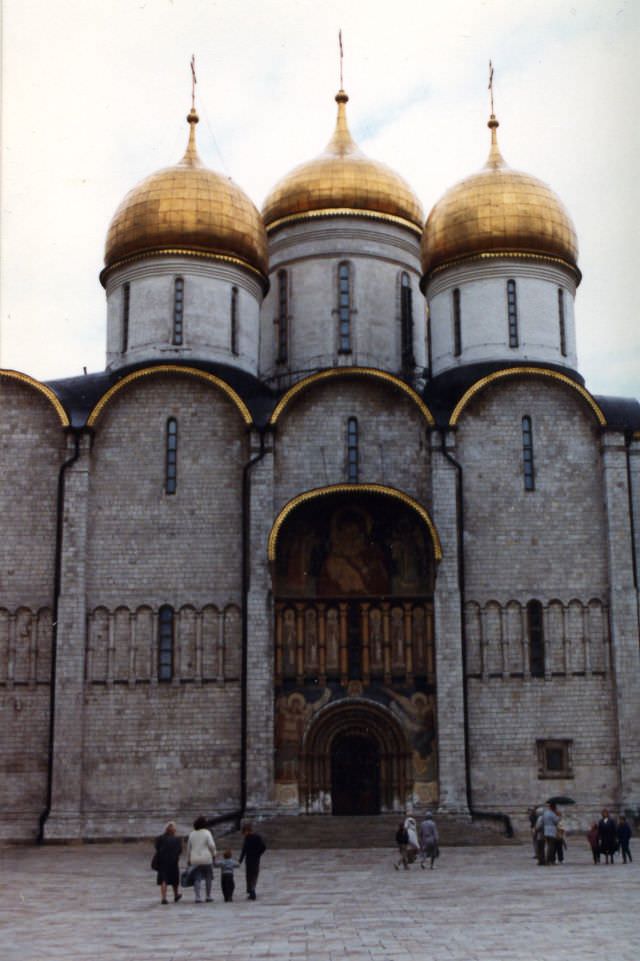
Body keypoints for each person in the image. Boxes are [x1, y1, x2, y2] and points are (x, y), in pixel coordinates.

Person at [186, 815, 217, 903]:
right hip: (206, 858)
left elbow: (189, 848)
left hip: (195, 859)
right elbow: (211, 845)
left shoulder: (192, 834)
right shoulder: (207, 832)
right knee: (208, 877)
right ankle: (208, 896)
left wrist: (188, 859)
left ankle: (197, 897)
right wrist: (214, 854)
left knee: (197, 878)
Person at [154, 821, 182, 904]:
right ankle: (176, 895)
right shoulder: (177, 839)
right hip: (173, 861)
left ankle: (164, 898)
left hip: (162, 861)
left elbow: (157, 848)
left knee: (164, 879)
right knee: (174, 880)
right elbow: (179, 851)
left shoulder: (159, 838)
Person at [239, 822, 266, 900]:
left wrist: (240, 860)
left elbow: (244, 850)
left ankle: (251, 890)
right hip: (255, 859)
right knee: (254, 875)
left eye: (244, 832)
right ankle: (252, 889)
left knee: (250, 876)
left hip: (249, 859)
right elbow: (263, 847)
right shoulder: (257, 837)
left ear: (247, 831)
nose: (243, 834)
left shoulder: (249, 838)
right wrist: (258, 854)